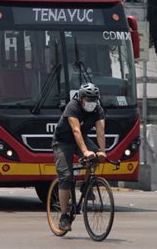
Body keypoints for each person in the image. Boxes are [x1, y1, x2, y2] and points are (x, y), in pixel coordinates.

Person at [52, 83, 107, 232]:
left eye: (94, 100)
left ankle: (86, 185)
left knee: (96, 156)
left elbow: (100, 132)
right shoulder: (73, 106)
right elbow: (76, 130)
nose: (91, 103)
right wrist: (85, 151)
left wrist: (102, 151)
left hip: (80, 139)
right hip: (62, 141)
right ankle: (64, 217)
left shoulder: (98, 110)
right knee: (66, 176)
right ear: (81, 98)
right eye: (89, 99)